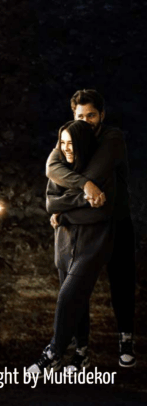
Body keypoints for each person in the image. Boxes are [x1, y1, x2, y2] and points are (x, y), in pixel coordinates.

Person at [44, 89, 135, 368]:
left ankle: (126, 339)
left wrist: (61, 206)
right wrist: (79, 189)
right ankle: (80, 349)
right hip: (86, 223)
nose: (86, 120)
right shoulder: (72, 137)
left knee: (121, 282)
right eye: (80, 115)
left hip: (116, 221)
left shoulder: (111, 138)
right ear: (73, 115)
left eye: (92, 115)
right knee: (77, 284)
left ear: (102, 115)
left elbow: (94, 178)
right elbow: (52, 167)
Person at [28, 119, 115, 374]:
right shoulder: (60, 170)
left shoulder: (101, 172)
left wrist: (65, 213)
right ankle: (82, 353)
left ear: (83, 144)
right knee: (78, 300)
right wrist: (81, 200)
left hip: (92, 245)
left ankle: (54, 353)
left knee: (68, 296)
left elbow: (99, 213)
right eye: (62, 143)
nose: (66, 149)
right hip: (65, 244)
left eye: (71, 144)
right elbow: (51, 205)